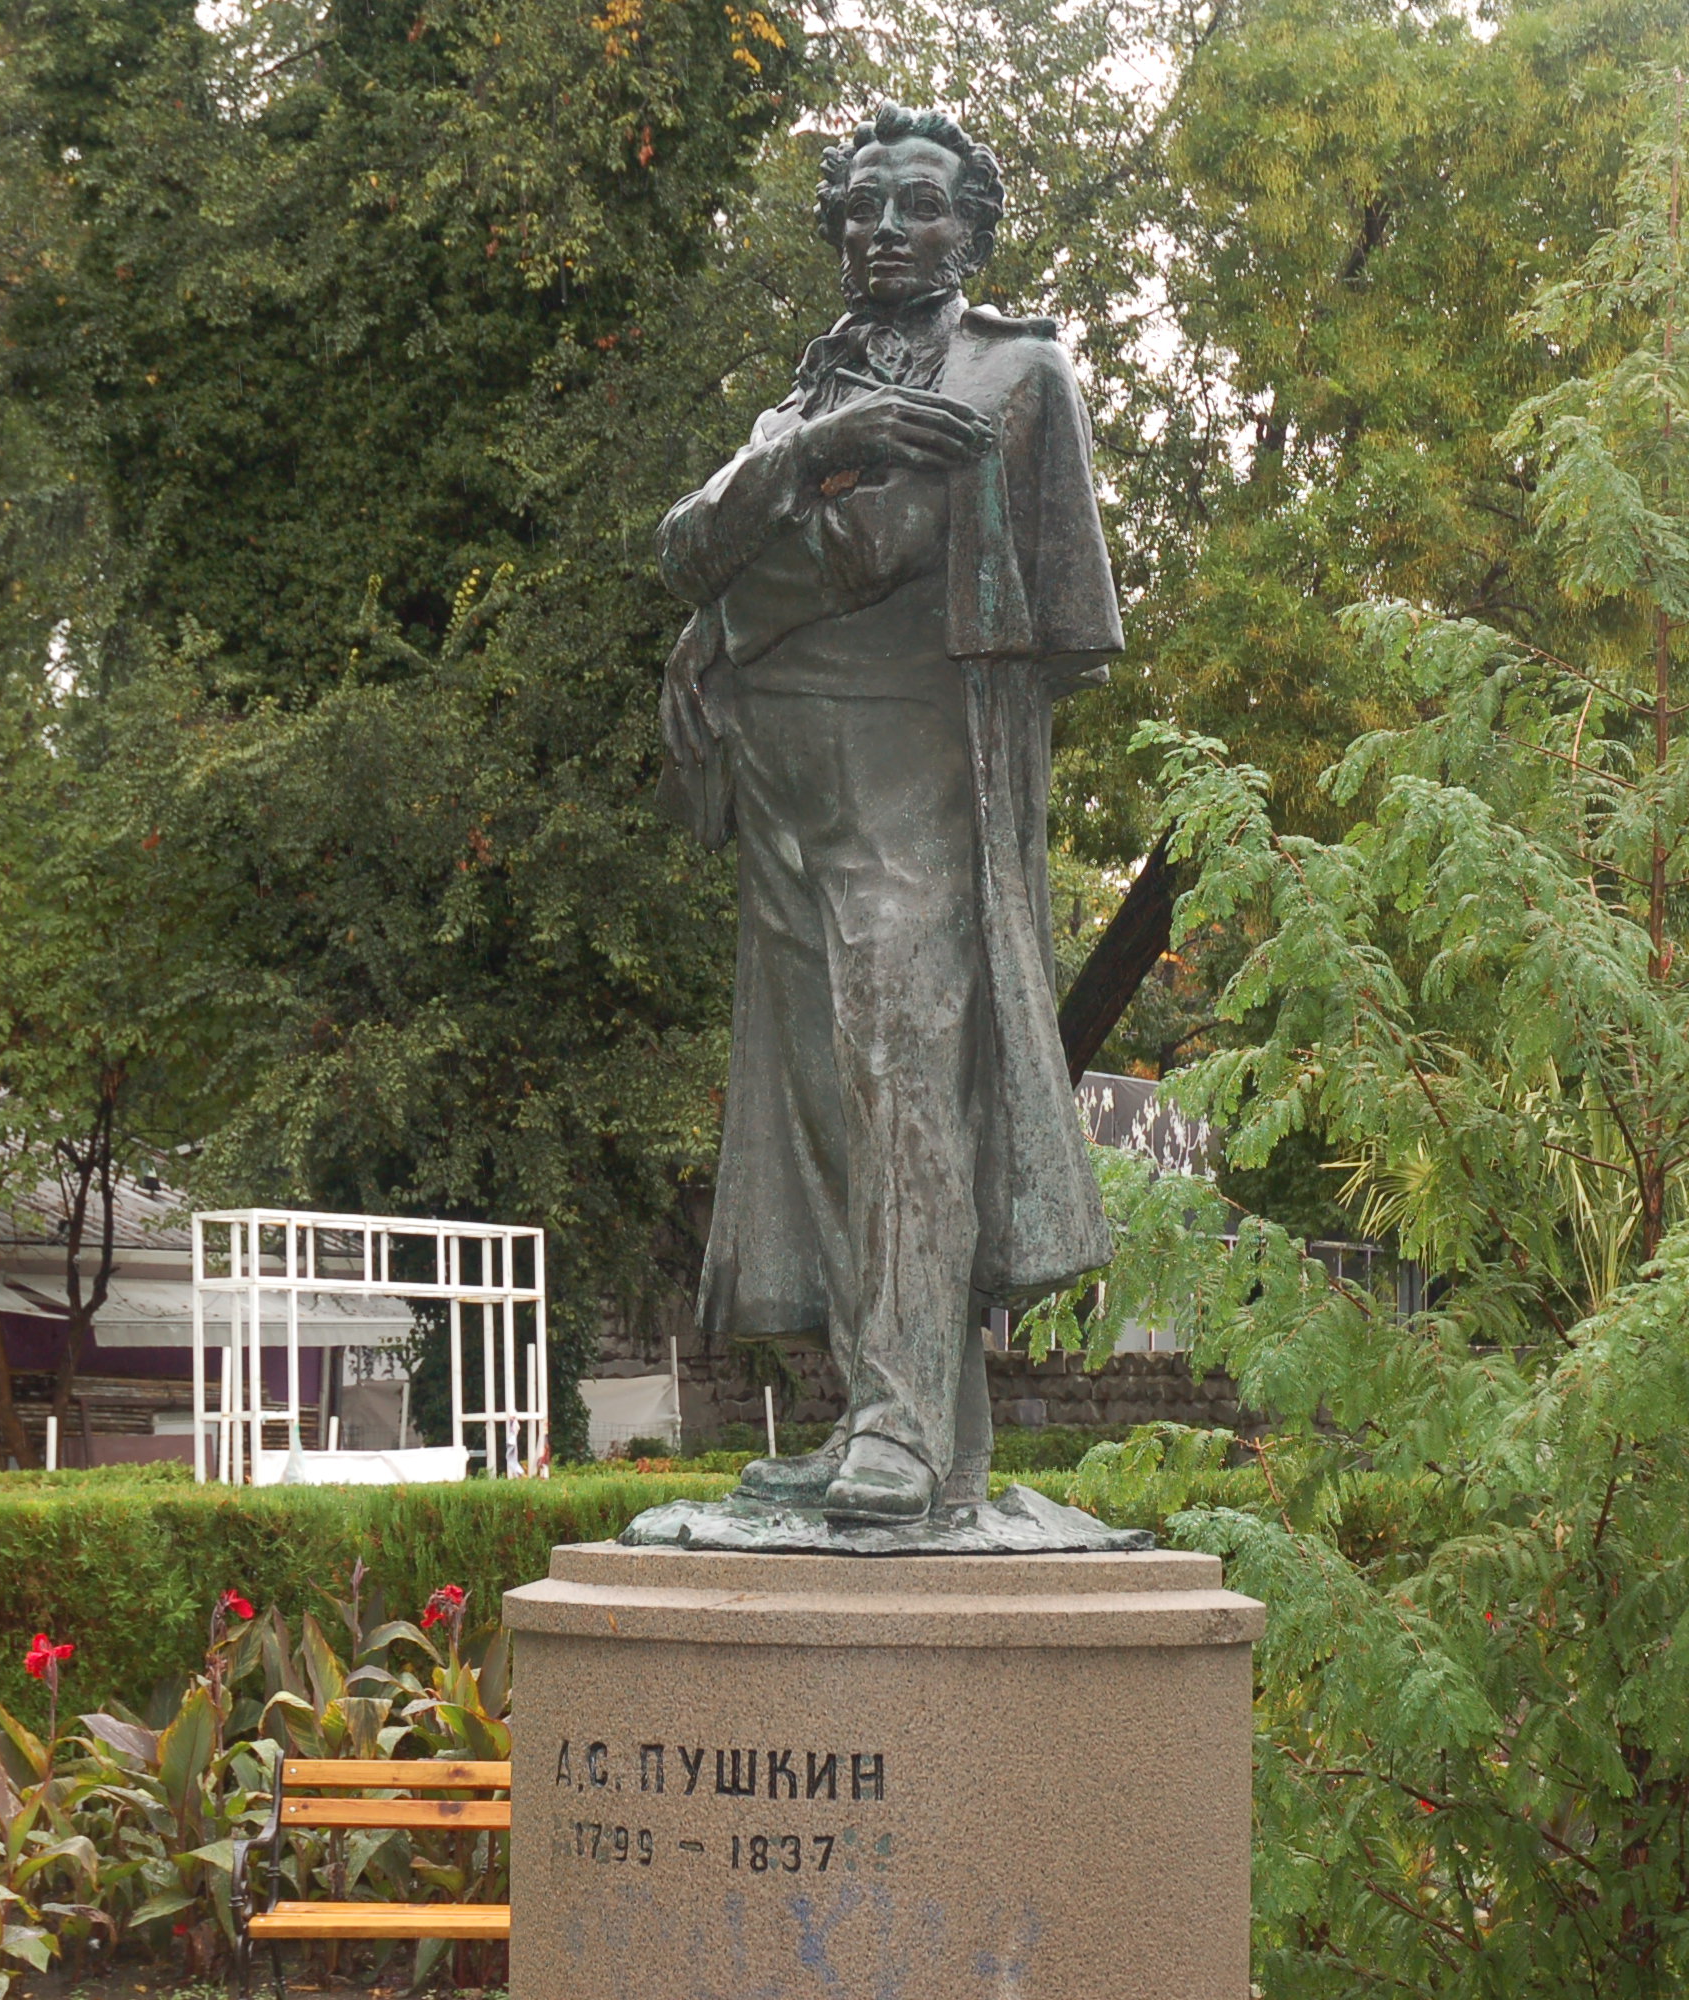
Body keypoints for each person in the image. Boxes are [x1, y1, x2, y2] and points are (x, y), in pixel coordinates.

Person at [654, 101, 1123, 1524]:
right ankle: (890, 1416)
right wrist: (817, 451)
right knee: (828, 1107)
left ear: (971, 226)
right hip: (784, 798)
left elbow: (890, 550)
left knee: (905, 1080)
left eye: (918, 204)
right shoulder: (802, 408)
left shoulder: (1016, 371)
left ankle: (907, 1433)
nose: (885, 230)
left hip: (916, 783)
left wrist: (739, 600)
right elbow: (685, 547)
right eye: (862, 207)